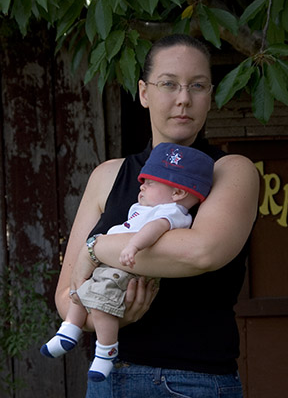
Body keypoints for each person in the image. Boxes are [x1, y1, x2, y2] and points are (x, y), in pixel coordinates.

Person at [55, 34, 259, 398]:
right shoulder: (108, 175)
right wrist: (111, 313)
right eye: (168, 84)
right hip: (108, 379)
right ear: (144, 92)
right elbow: (65, 294)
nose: (183, 98)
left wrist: (96, 249)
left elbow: (201, 252)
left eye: (197, 85)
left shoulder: (230, 171)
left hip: (194, 381)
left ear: (210, 96)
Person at [41, 142, 214, 383]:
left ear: (177, 193)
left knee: (102, 305)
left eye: (150, 182)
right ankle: (69, 329)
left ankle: (106, 350)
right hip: (111, 265)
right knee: (81, 291)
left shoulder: (171, 213)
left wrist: (132, 246)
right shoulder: (144, 207)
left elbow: (153, 230)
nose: (141, 185)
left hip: (127, 269)